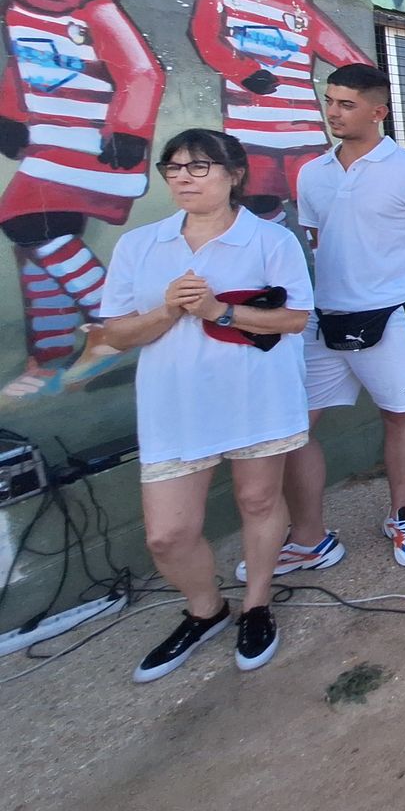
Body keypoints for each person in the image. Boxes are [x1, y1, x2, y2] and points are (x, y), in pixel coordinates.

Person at [102, 129, 312, 680]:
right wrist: (168, 311)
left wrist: (219, 310)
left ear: (233, 174)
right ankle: (206, 608)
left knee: (259, 502)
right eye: (172, 168)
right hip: (176, 406)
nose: (184, 177)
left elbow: (293, 319)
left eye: (199, 167)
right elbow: (118, 335)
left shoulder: (271, 241)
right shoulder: (140, 246)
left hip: (256, 397)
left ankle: (258, 603)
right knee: (167, 534)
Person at [257, 65, 405, 579]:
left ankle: (402, 515)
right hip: (322, 320)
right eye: (330, 101)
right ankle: (309, 539)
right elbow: (321, 245)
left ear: (378, 111)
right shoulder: (313, 173)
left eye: (346, 104)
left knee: (399, 416)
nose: (333, 113)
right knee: (294, 428)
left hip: (393, 317)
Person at [2, 0, 164, 399]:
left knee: (21, 220)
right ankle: (50, 358)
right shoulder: (19, 10)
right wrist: (10, 116)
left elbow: (143, 71)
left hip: (98, 147)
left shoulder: (97, 8)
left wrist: (129, 131)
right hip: (48, 146)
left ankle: (113, 325)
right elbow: (19, 70)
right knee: (35, 244)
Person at [187, 0, 369, 224]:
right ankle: (279, 264)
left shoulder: (299, 6)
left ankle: (327, 266)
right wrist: (244, 72)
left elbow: (345, 54)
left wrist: (372, 87)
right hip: (249, 131)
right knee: (258, 206)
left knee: (319, 206)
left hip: (304, 132)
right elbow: (205, 39)